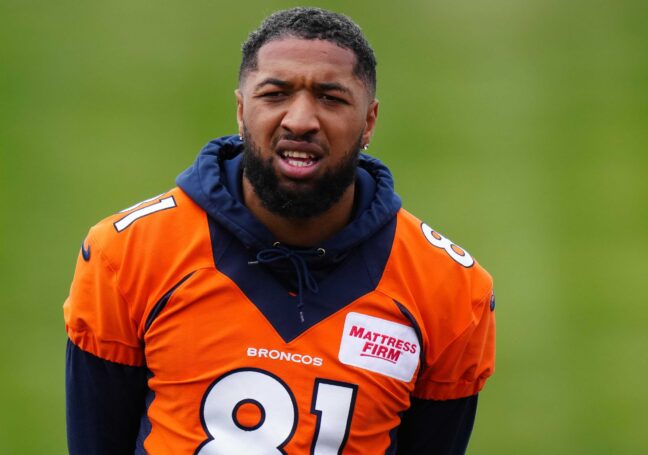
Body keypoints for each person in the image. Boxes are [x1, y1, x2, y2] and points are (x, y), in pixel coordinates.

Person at [64, 7, 495, 454]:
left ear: (369, 121)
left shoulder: (450, 289)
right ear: (240, 109)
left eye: (331, 98)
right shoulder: (129, 253)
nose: (301, 120)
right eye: (275, 93)